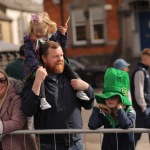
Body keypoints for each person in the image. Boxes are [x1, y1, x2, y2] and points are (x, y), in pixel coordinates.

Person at [22, 41, 95, 150]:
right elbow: (28, 110)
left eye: (61, 55)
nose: (60, 59)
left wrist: (87, 88)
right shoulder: (33, 81)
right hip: (50, 145)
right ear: (44, 58)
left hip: (76, 143)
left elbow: (89, 105)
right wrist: (37, 82)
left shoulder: (72, 77)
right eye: (55, 56)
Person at [24, 11, 89, 110]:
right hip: (37, 62)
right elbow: (30, 55)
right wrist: (36, 66)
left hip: (50, 61)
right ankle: (43, 99)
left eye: (41, 31)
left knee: (66, 65)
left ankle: (79, 90)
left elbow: (60, 47)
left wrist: (63, 35)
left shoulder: (53, 35)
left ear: (48, 27)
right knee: (40, 74)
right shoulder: (30, 39)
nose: (38, 34)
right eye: (36, 31)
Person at [88, 67, 136, 150]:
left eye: (113, 97)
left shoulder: (130, 111)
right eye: (107, 97)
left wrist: (120, 108)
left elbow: (126, 124)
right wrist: (96, 106)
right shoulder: (104, 112)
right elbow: (92, 125)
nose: (109, 100)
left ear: (121, 98)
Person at [0, 69, 37, 150]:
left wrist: (1, 126)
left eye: (2, 80)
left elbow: (18, 122)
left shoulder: (16, 96)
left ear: (7, 81)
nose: (0, 84)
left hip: (17, 145)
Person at [130, 48, 150, 145]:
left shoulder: (145, 71)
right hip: (143, 109)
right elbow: (139, 93)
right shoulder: (140, 71)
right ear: (146, 59)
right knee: (137, 134)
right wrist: (143, 108)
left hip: (146, 107)